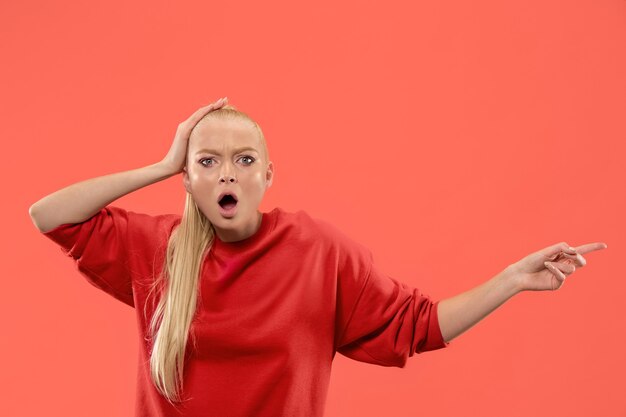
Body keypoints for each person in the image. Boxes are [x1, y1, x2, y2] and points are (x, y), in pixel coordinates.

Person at [29, 97, 608, 417]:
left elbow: (418, 325)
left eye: (244, 159)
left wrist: (511, 279)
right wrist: (160, 166)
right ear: (188, 179)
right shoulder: (158, 247)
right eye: (206, 161)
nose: (227, 171)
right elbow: (49, 215)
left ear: (268, 174)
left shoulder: (317, 250)